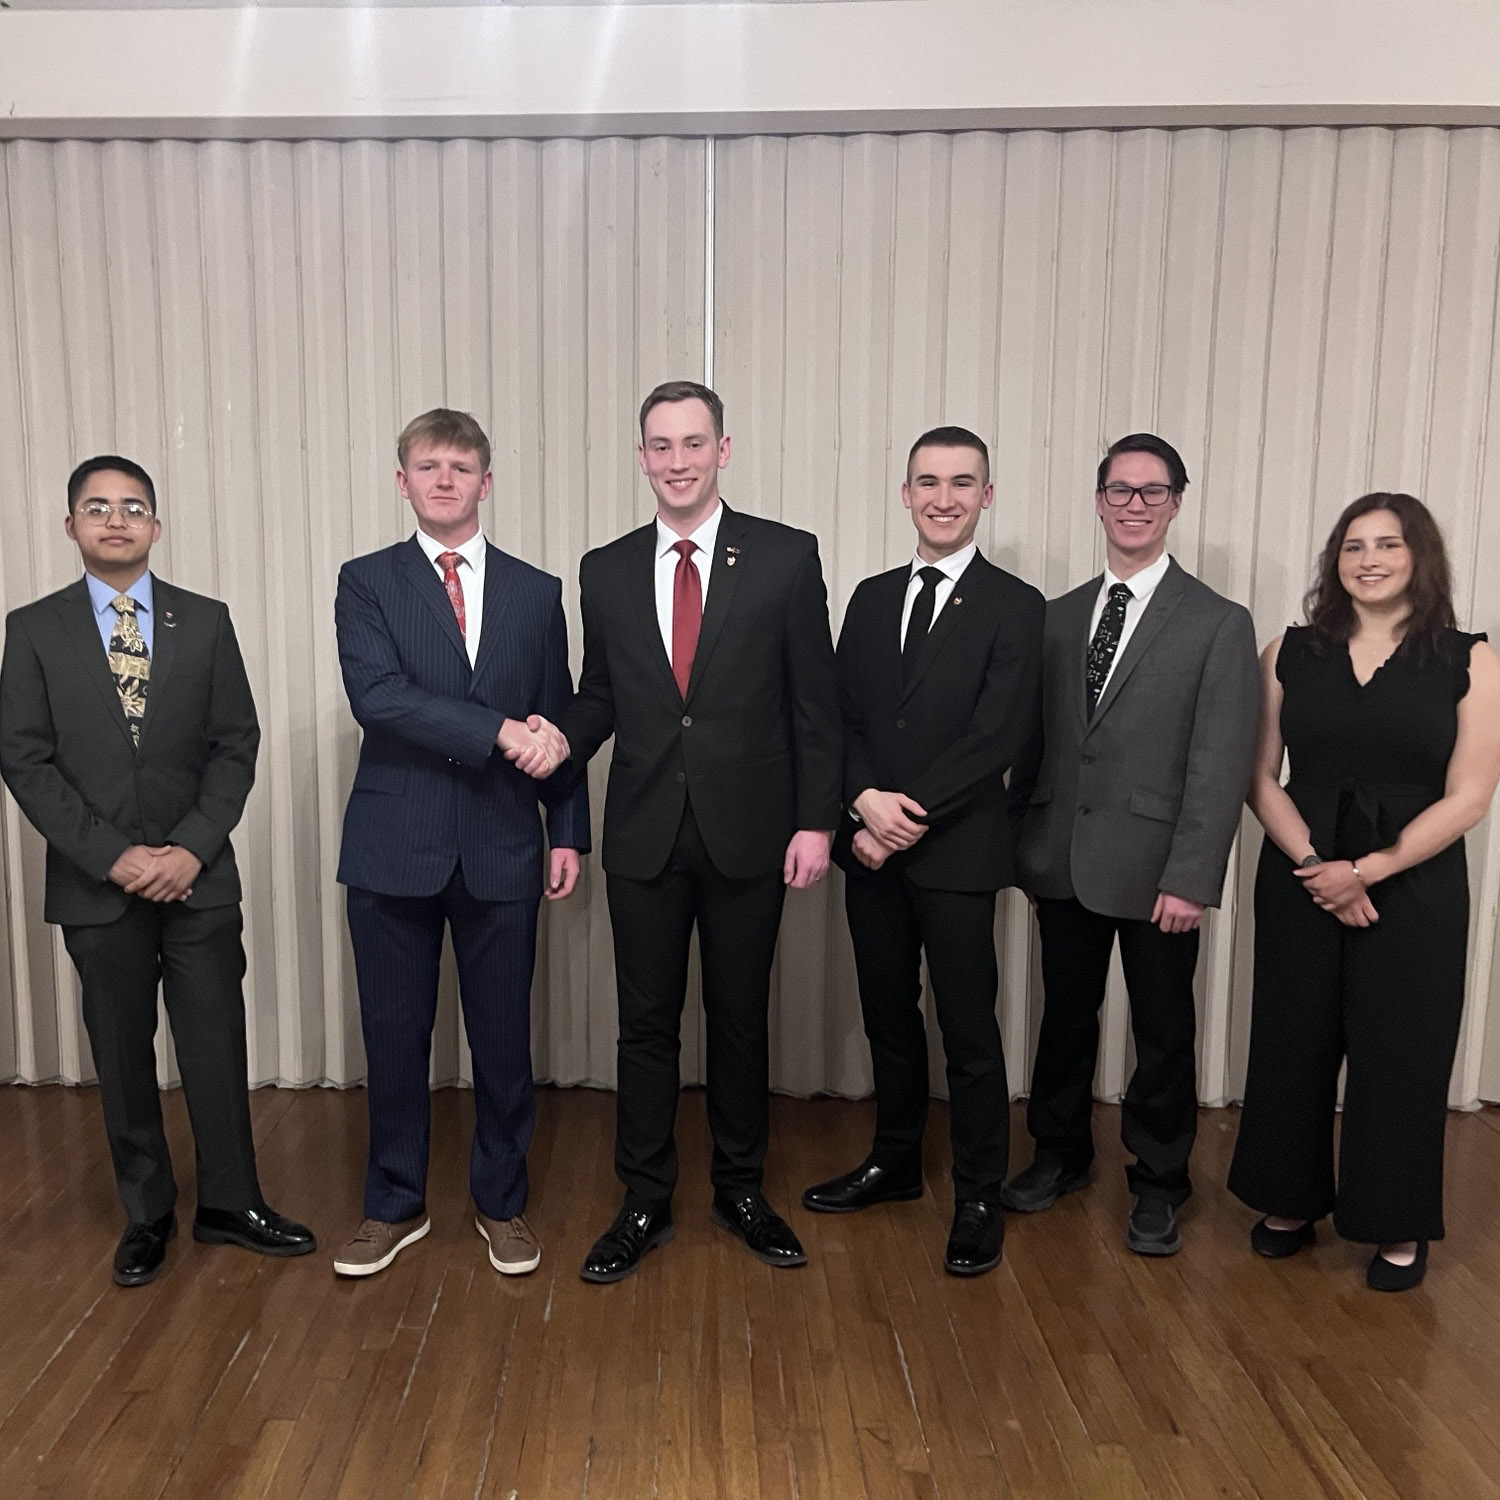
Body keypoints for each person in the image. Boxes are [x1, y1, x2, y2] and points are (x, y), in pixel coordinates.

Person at [546, 380, 841, 1283]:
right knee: (645, 1026)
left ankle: (743, 1191)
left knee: (742, 1020)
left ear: (724, 450)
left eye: (693, 443)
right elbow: (603, 693)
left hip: (751, 832)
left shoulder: (787, 558)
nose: (677, 461)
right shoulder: (605, 567)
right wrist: (560, 737)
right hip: (644, 833)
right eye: (660, 446)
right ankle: (643, 1198)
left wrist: (815, 822)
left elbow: (814, 706)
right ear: (642, 458)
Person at [0, 456, 315, 1286]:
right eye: (96, 507)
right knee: (122, 1051)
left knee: (214, 1040)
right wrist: (114, 855)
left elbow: (234, 746)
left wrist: (189, 849)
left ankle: (231, 1202)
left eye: (132, 507)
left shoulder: (203, 622)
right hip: (95, 885)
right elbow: (26, 761)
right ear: (70, 525)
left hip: (197, 877)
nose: (115, 519)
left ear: (156, 527)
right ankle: (147, 1214)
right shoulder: (32, 629)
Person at [331, 409, 588, 1279]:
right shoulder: (365, 582)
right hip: (393, 846)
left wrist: (571, 830)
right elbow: (380, 697)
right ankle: (392, 1206)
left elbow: (556, 715)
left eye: (461, 465)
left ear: (487, 479)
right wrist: (501, 732)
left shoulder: (535, 589)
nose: (444, 479)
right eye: (427, 465)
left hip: (505, 844)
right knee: (394, 1035)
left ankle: (501, 1202)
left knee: (504, 1038)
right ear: (402, 480)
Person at [1228, 493, 1500, 1291]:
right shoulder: (1288, 651)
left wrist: (1367, 871)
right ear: (1334, 559)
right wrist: (1319, 866)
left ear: (1421, 556)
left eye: (1387, 544)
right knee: (1292, 1038)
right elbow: (1256, 775)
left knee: (1401, 1050)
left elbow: (1471, 795)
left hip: (1412, 884)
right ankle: (1287, 1201)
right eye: (1354, 546)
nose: (1369, 560)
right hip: (1299, 872)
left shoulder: (1470, 659)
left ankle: (1395, 1223)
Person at [1003, 433, 1259, 1255]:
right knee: (1065, 1020)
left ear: (1177, 502)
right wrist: (1027, 850)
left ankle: (1159, 1180)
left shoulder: (1218, 622)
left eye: (1153, 491)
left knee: (1162, 1032)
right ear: (1100, 499)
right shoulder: (1057, 615)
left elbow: (1220, 766)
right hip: (1063, 861)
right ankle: (1059, 1154)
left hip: (1160, 875)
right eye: (1121, 490)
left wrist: (1192, 877)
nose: (1136, 505)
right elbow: (1035, 744)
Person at [801, 427, 1044, 1276]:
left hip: (957, 853)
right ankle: (896, 1162)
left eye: (962, 482)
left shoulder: (1018, 605)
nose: (944, 496)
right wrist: (862, 805)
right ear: (905, 494)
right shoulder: (868, 598)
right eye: (928, 481)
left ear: (987, 496)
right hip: (871, 852)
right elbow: (841, 717)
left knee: (969, 1029)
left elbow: (998, 736)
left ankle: (979, 1190)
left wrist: (903, 817)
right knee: (889, 1019)